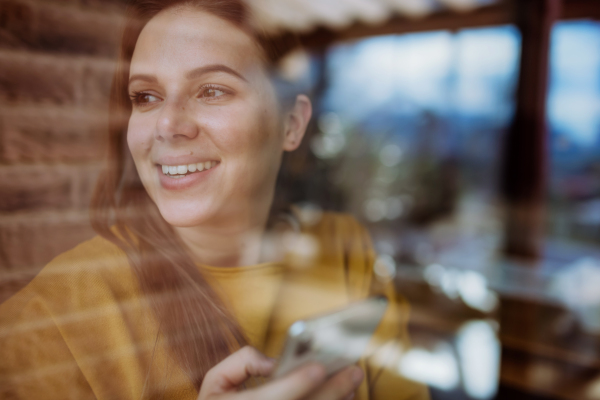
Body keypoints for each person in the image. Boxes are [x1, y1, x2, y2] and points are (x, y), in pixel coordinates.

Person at [0, 1, 429, 399]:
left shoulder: (343, 247)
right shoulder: (51, 317)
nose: (167, 125)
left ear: (292, 124)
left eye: (212, 90)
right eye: (145, 97)